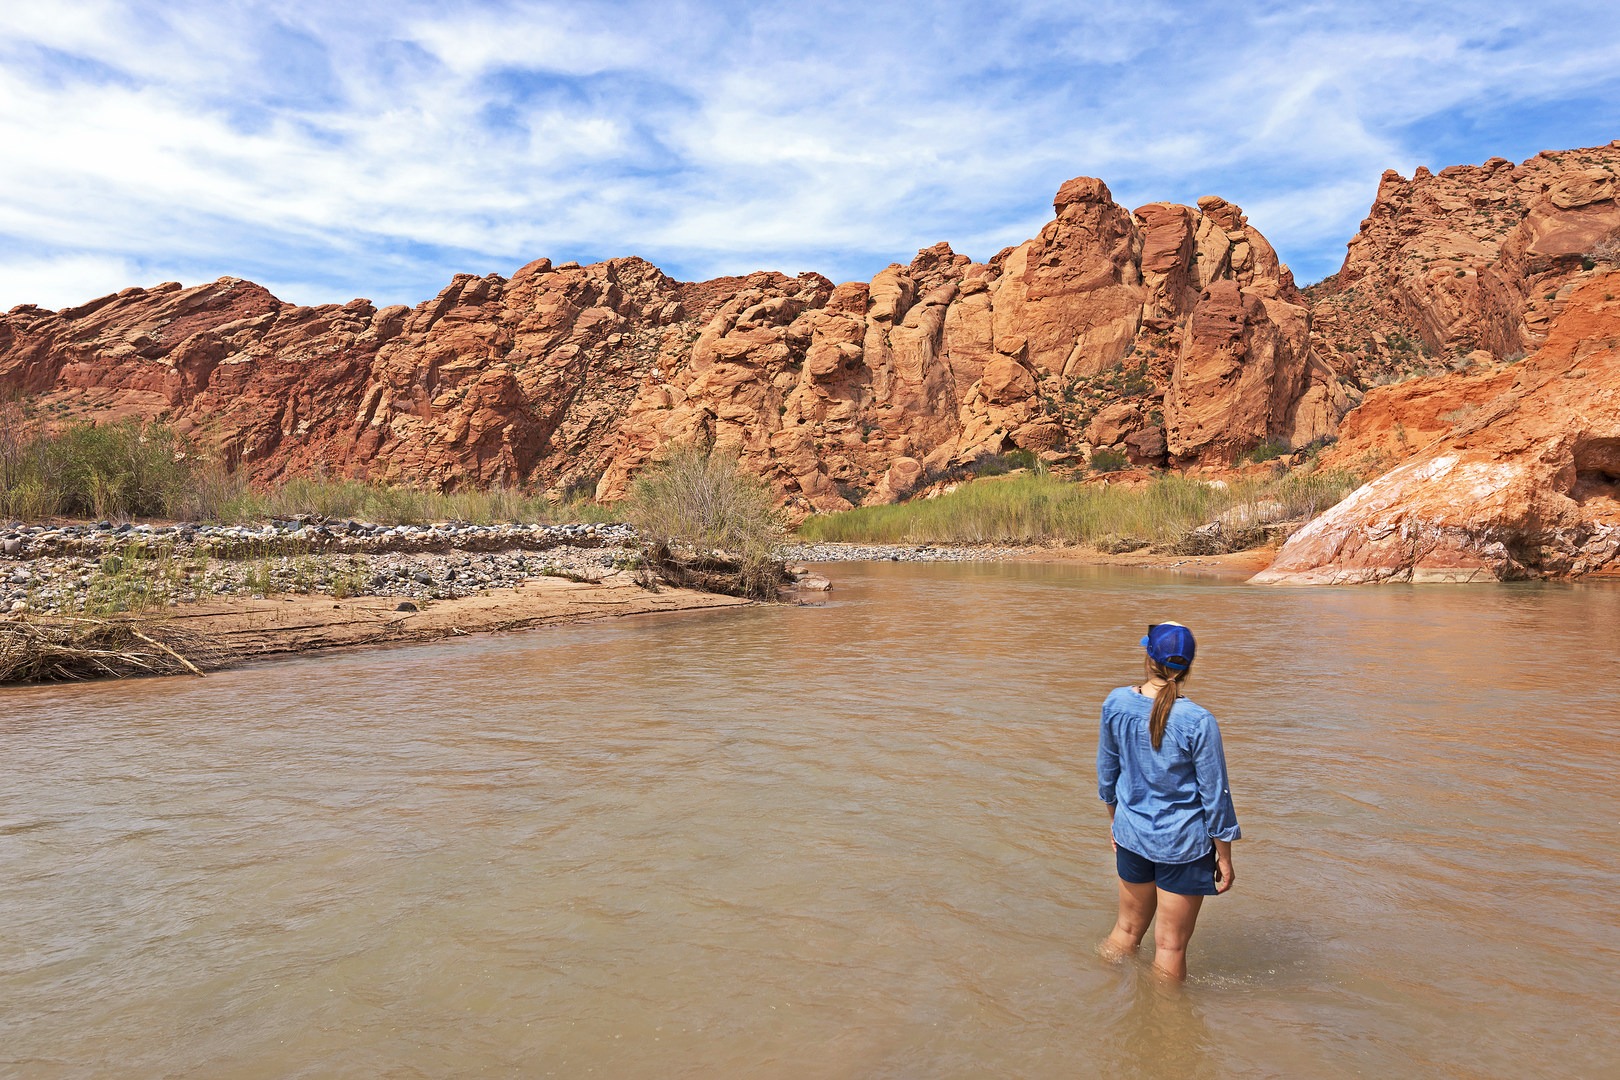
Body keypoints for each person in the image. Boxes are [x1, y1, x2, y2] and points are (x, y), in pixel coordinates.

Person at [1096, 622, 1240, 981]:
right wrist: (1224, 856)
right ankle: (1167, 1030)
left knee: (1125, 933)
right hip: (1183, 845)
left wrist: (1116, 822)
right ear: (1188, 668)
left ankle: (1098, 1002)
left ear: (1148, 658)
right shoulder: (1198, 721)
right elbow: (1215, 794)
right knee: (1170, 946)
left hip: (1132, 835)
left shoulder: (1115, 702)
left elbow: (1106, 776)